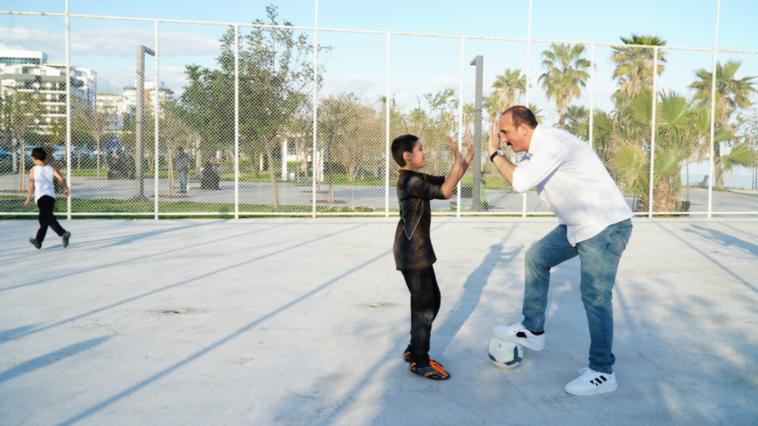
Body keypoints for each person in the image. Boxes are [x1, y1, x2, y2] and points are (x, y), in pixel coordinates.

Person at [487, 106, 633, 396]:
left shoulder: (552, 143)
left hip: (604, 227)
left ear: (523, 129)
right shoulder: (535, 153)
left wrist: (493, 154)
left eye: (505, 132)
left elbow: (520, 183)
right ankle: (533, 330)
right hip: (577, 225)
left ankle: (603, 372)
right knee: (536, 258)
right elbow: (523, 174)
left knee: (595, 298)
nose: (503, 139)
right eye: (500, 135)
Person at [392, 132, 474, 381]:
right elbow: (447, 193)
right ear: (408, 156)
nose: (424, 152)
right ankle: (420, 360)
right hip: (411, 254)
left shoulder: (415, 177)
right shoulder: (409, 181)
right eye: (420, 148)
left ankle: (413, 348)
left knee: (432, 301)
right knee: (424, 308)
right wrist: (457, 156)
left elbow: (450, 180)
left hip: (419, 251)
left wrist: (467, 157)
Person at [24, 147, 71, 250]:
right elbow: (61, 178)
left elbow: (31, 185)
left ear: (33, 157)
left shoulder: (34, 169)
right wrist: (66, 188)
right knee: (44, 220)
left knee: (48, 218)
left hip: (41, 197)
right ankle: (38, 242)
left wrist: (28, 198)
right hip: (51, 197)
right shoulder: (50, 168)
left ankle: (63, 233)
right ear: (45, 158)